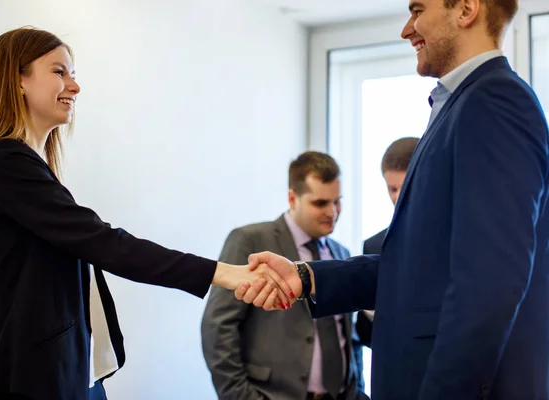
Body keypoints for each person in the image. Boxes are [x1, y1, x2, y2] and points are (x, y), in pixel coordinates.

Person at [236, 0, 549, 397]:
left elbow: (490, 284)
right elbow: (417, 268)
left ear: (466, 9)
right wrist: (306, 276)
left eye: (417, 10)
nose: (407, 29)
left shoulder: (495, 101)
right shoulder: (459, 105)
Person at [0, 27, 290, 400]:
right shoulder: (5, 163)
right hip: (31, 379)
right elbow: (106, 244)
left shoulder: (27, 165)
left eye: (73, 74)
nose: (75, 86)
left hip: (71, 372)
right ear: (17, 79)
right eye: (59, 72)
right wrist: (228, 273)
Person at [201, 151, 367, 400]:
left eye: (337, 201)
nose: (332, 212)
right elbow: (218, 327)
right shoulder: (251, 241)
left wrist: (358, 389)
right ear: (293, 198)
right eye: (320, 203)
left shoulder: (341, 253)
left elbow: (348, 336)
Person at [357, 137, 419, 348]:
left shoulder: (459, 239)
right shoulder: (373, 246)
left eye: (406, 187)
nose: (399, 197)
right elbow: (365, 337)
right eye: (393, 189)